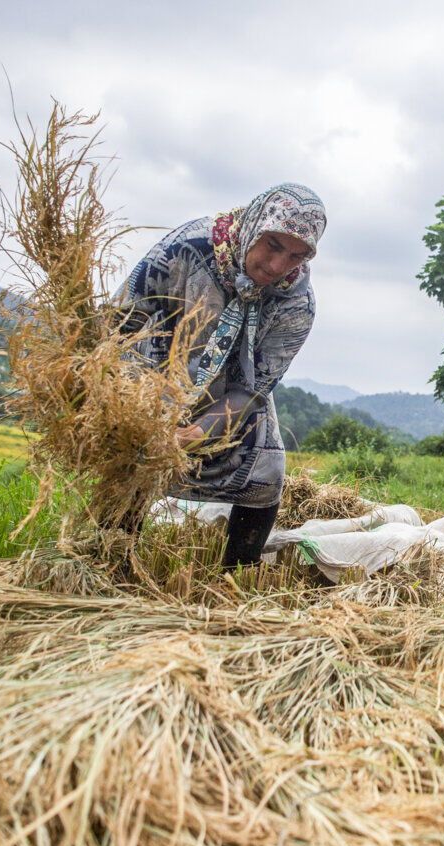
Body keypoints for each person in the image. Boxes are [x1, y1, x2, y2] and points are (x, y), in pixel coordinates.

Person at [115, 183, 326, 571]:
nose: (278, 266)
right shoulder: (187, 249)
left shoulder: (297, 304)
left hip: (230, 392)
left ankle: (238, 574)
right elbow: (124, 321)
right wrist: (123, 400)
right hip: (155, 369)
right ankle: (114, 557)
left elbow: (255, 386)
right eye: (273, 245)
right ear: (254, 227)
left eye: (296, 256)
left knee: (266, 471)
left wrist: (198, 432)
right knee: (135, 462)